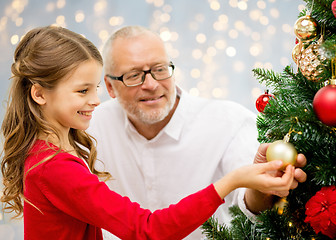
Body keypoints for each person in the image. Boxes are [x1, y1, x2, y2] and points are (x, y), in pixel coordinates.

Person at [0, 25, 297, 240]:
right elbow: (148, 230)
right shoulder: (58, 163)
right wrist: (229, 182)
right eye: (82, 91)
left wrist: (251, 181)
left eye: (159, 69)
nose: (94, 100)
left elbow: (255, 214)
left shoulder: (229, 121)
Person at [87, 25, 307, 239]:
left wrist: (263, 185)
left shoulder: (230, 122)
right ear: (109, 87)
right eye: (134, 75)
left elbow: (250, 208)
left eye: (160, 69)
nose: (152, 84)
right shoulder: (89, 128)